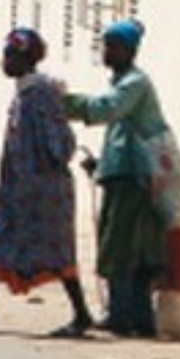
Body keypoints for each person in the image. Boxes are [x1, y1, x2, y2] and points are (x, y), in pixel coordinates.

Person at [0, 29, 93, 337]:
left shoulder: (38, 95)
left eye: (10, 55)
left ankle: (79, 314)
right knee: (9, 242)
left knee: (48, 249)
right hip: (22, 191)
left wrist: (36, 175)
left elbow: (58, 144)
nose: (4, 61)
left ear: (25, 59)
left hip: (41, 192)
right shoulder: (28, 93)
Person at [64, 19, 168, 337]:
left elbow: (107, 109)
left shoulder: (134, 84)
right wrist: (100, 164)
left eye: (114, 47)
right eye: (106, 46)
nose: (107, 52)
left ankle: (122, 315)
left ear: (130, 51)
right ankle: (135, 316)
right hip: (123, 174)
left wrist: (63, 102)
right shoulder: (123, 82)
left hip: (135, 178)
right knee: (129, 249)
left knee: (120, 249)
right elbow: (121, 135)